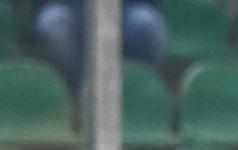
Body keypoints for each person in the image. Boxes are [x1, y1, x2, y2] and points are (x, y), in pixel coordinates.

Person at [34, 0, 169, 90]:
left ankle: (133, 92)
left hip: (123, 8)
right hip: (69, 7)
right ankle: (77, 95)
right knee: (53, 24)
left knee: (148, 25)